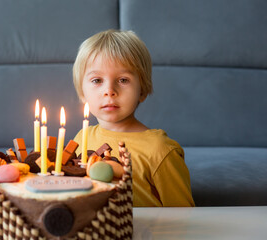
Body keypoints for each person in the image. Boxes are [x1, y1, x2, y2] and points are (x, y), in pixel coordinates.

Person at [72, 29, 195, 207]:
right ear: (82, 93)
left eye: (123, 80)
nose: (109, 91)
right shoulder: (81, 138)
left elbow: (184, 216)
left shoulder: (160, 150)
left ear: (142, 90)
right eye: (97, 80)